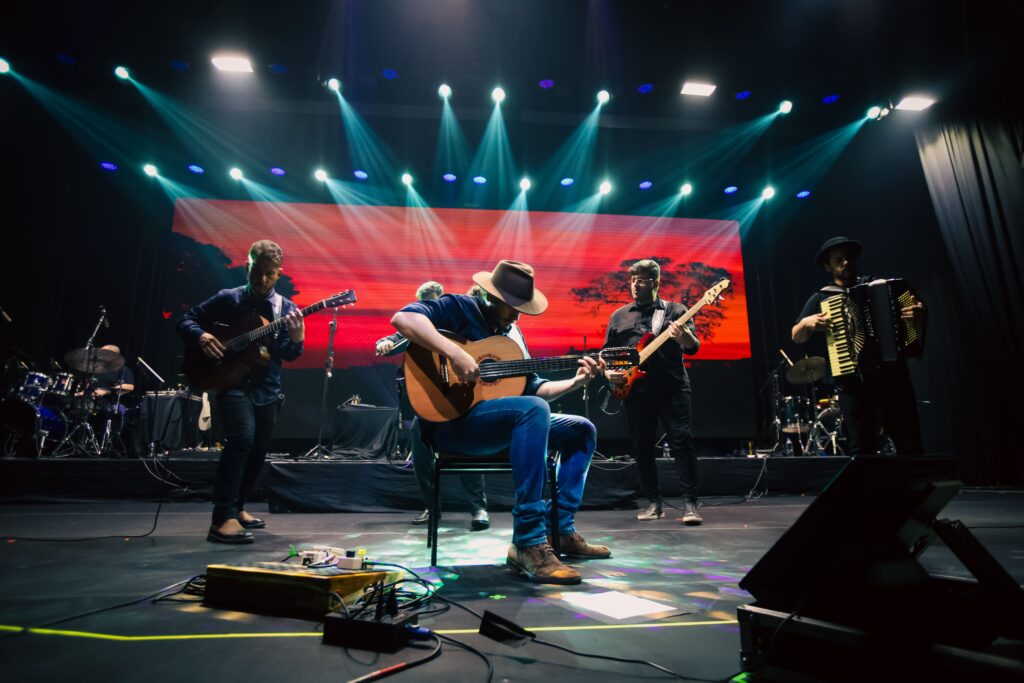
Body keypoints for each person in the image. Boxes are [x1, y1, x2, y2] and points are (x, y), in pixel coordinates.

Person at [391, 260, 610, 585]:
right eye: (513, 307)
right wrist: (456, 354)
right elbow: (403, 319)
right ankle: (527, 540)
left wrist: (576, 383)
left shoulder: (511, 337)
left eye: (522, 308)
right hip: (449, 425)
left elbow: (535, 388)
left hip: (492, 426)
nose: (517, 315)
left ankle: (560, 530)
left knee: (581, 430)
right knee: (533, 410)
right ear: (490, 297)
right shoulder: (460, 307)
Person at [177, 240, 304, 544]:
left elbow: (287, 353)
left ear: (279, 273)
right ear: (248, 267)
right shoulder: (227, 298)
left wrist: (297, 339)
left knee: (258, 450)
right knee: (241, 440)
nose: (262, 280)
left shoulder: (284, 309)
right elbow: (186, 320)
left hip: (268, 388)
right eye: (257, 272)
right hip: (232, 383)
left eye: (270, 275)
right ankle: (222, 519)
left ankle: (238, 507)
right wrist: (203, 335)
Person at [792, 236, 926, 456]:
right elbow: (796, 336)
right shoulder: (821, 297)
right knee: (862, 445)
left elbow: (914, 315)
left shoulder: (884, 286)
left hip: (892, 374)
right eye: (839, 260)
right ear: (828, 266)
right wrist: (806, 323)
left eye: (849, 258)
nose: (846, 262)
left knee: (909, 438)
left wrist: (917, 315)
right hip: (852, 379)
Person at [376, 281, 489, 530]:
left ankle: (478, 508)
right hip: (430, 400)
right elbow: (391, 338)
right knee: (421, 453)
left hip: (462, 399)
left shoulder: (457, 324)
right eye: (426, 300)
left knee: (468, 451)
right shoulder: (415, 327)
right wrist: (383, 344)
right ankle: (432, 507)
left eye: (435, 299)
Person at [603, 259, 703, 525]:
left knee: (681, 443)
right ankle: (653, 503)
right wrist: (608, 374)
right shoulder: (619, 316)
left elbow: (693, 347)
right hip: (635, 391)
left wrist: (683, 337)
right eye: (632, 280)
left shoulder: (676, 310)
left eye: (642, 280)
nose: (635, 285)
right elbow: (607, 355)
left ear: (656, 282)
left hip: (673, 388)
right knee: (642, 447)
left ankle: (690, 504)